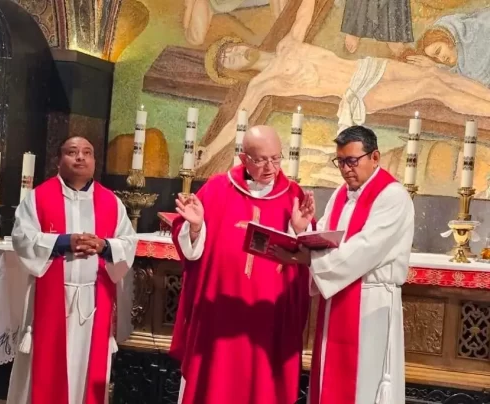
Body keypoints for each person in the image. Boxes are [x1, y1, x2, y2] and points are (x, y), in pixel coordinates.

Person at [195, 0, 490, 176]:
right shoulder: (262, 83)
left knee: (435, 74)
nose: (234, 54)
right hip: (359, 92)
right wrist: (207, 152)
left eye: (230, 49)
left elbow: (306, 8)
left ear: (238, 43)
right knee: (431, 86)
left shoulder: (288, 43)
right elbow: (237, 122)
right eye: (228, 60)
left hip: (367, 67)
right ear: (234, 73)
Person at [170, 125, 315, 404]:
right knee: (216, 387)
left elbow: (306, 258)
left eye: (276, 158)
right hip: (221, 312)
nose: (271, 167)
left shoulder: (293, 196)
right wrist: (196, 228)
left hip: (269, 315)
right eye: (261, 160)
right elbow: (191, 251)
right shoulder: (217, 188)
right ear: (244, 158)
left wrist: (299, 229)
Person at [274, 126, 414, 404]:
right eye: (340, 162)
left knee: (365, 383)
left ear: (375, 157)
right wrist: (303, 230)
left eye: (352, 161)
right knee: (330, 377)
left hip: (371, 304)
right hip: (337, 300)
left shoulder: (393, 196)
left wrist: (308, 258)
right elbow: (327, 237)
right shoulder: (341, 193)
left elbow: (365, 249)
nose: (346, 169)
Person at [7, 136, 137, 404]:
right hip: (51, 301)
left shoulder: (111, 202)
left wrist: (104, 246)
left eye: (87, 153)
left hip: (93, 303)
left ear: (94, 161)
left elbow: (129, 243)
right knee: (44, 370)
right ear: (59, 160)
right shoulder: (38, 198)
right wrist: (63, 242)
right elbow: (22, 238)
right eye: (72, 152)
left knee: (87, 369)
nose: (80, 157)